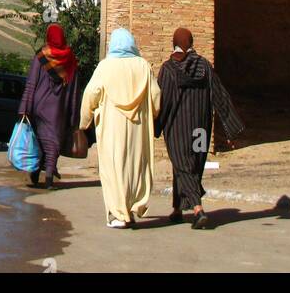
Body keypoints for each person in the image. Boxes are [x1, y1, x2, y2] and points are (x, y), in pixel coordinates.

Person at [156, 26, 245, 229]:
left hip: (179, 129)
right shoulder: (204, 66)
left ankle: (198, 209)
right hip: (201, 128)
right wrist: (231, 127)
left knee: (183, 166)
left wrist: (157, 126)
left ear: (174, 44)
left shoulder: (169, 69)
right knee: (193, 166)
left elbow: (163, 101)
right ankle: (178, 208)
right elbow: (220, 96)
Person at [79, 27, 161, 228]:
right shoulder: (143, 66)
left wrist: (84, 122)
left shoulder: (105, 67)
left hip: (112, 126)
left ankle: (118, 214)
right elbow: (156, 96)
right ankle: (132, 208)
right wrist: (152, 114)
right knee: (135, 165)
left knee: (113, 167)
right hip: (138, 127)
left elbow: (91, 94)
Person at [17, 23, 82, 190]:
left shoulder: (41, 57)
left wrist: (24, 108)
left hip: (38, 106)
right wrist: (74, 116)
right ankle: (49, 178)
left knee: (37, 140)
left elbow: (31, 84)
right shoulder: (70, 59)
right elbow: (75, 91)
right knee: (53, 142)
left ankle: (35, 173)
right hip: (59, 110)